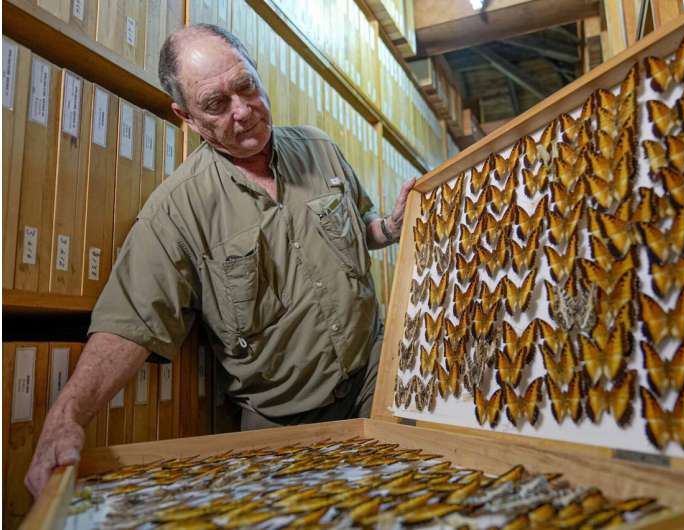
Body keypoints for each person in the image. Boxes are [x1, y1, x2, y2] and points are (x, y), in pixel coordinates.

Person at [25, 23, 415, 497]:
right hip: (283, 421)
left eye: (246, 86)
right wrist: (66, 419)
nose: (243, 111)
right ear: (186, 117)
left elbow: (360, 225)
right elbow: (129, 322)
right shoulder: (177, 210)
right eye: (216, 104)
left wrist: (389, 229)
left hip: (376, 374)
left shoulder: (320, 148)